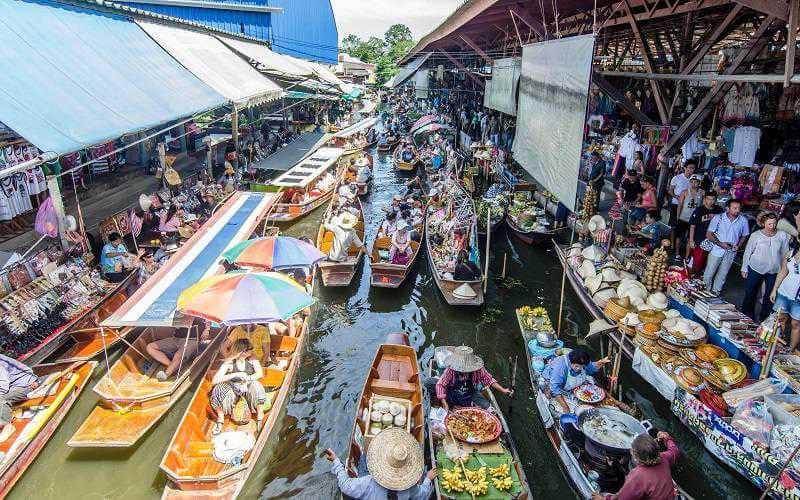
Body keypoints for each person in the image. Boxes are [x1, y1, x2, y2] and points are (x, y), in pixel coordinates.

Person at [326, 427, 435, 500]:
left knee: (365, 455)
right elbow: (423, 494)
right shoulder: (409, 488)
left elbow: (345, 485)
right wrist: (428, 479)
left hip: (368, 487)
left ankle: (364, 452)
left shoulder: (369, 483)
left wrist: (336, 461)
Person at [593, 432, 680, 500]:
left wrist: (603, 498)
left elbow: (622, 498)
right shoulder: (664, 457)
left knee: (603, 493)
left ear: (636, 457)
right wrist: (667, 439)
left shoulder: (638, 475)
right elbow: (674, 450)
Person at [209, 338, 266, 435]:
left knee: (257, 385)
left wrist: (248, 379)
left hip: (247, 388)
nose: (251, 351)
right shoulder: (230, 363)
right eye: (249, 349)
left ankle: (260, 415)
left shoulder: (252, 359)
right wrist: (235, 375)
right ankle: (221, 417)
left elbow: (259, 373)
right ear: (242, 352)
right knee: (218, 389)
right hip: (233, 389)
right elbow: (215, 380)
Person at [741, 212, 790, 321]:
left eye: (774, 224)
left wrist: (784, 269)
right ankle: (746, 316)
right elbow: (748, 252)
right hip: (755, 268)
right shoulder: (756, 235)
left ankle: (764, 318)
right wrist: (744, 267)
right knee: (750, 292)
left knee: (770, 295)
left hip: (774, 270)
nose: (772, 227)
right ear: (763, 223)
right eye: (769, 224)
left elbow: (785, 253)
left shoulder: (782, 235)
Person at [433, 346, 512, 410]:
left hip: (470, 393)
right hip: (453, 392)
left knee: (487, 407)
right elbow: (440, 384)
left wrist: (503, 390)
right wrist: (444, 402)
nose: (464, 371)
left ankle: (464, 406)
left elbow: (489, 380)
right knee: (429, 382)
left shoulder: (478, 369)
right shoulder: (451, 370)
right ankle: (452, 405)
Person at [541, 349, 610, 414]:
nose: (579, 369)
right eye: (576, 366)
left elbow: (590, 367)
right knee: (550, 393)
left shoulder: (581, 361)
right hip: (553, 381)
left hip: (575, 387)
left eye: (582, 366)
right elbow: (555, 388)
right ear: (570, 362)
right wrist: (565, 407)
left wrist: (600, 362)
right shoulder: (560, 368)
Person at [704, 198, 750, 294]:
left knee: (723, 274)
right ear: (728, 208)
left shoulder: (743, 220)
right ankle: (705, 290)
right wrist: (721, 244)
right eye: (735, 208)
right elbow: (709, 234)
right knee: (709, 272)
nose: (737, 210)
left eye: (739, 208)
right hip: (716, 249)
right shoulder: (718, 218)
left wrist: (739, 245)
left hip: (731, 251)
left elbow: (745, 235)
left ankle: (716, 292)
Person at [146, 320, 211, 381]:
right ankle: (172, 367)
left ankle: (166, 374)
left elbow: (208, 319)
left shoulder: (197, 311)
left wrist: (207, 330)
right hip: (176, 339)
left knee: (178, 355)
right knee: (150, 347)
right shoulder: (176, 312)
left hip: (191, 340)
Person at [771, 242, 800, 351]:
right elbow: (783, 271)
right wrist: (774, 289)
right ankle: (776, 346)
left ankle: (790, 350)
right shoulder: (791, 254)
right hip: (784, 292)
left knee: (796, 324)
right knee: (780, 320)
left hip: (798, 298)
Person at [0, 353, 39, 432]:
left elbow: (3, 386)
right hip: (13, 385)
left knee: (2, 400)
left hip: (26, 385)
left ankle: (5, 427)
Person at [687, 190, 722, 274]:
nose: (710, 201)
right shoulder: (699, 210)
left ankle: (702, 277)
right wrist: (691, 240)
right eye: (709, 199)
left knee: (708, 262)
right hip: (699, 239)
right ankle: (692, 275)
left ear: (716, 200)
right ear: (705, 199)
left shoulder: (719, 210)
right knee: (697, 261)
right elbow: (692, 226)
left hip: (713, 240)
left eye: (713, 199)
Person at [675, 174, 704, 255]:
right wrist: (678, 217)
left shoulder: (702, 193)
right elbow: (680, 205)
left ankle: (687, 257)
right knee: (679, 236)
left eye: (696, 182)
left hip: (694, 220)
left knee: (690, 239)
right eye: (692, 181)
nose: (693, 183)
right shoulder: (684, 192)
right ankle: (677, 254)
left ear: (699, 183)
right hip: (683, 218)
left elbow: (702, 206)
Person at [669, 162, 696, 246]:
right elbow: (670, 190)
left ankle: (680, 245)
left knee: (684, 226)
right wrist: (677, 197)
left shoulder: (694, 180)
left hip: (687, 207)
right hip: (676, 204)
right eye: (690, 167)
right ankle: (672, 244)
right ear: (685, 167)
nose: (691, 170)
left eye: (693, 168)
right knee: (674, 225)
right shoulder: (677, 178)